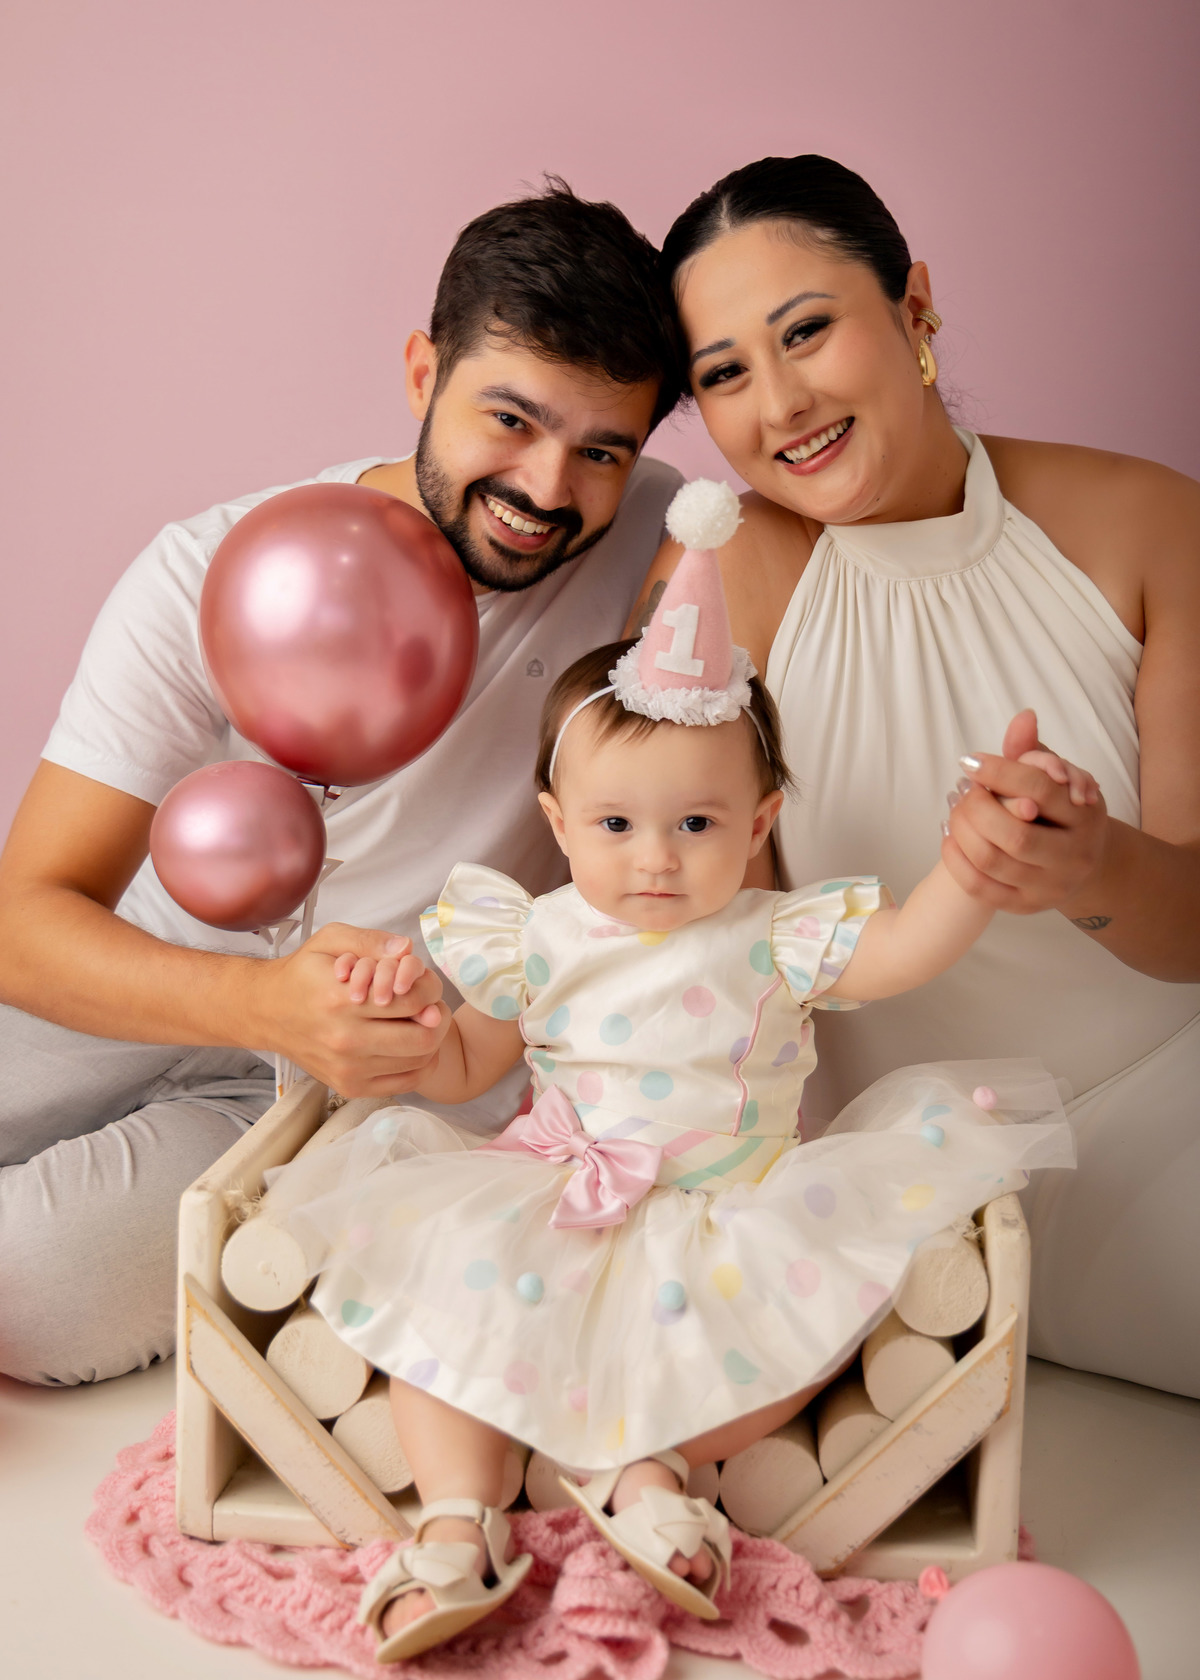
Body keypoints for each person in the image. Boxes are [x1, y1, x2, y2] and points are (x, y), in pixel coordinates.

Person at [271, 483, 1073, 1661]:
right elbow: (469, 1064)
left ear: (758, 822)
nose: (655, 859)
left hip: (724, 1202)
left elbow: (904, 950)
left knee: (778, 1335)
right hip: (552, 1193)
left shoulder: (774, 934)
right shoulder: (537, 934)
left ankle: (649, 1468)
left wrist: (969, 869)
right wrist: (417, 1032)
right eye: (616, 827)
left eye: (696, 825)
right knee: (449, 1300)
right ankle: (455, 1520)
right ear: (558, 822)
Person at [0, 180, 688, 1387]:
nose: (545, 488)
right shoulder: (213, 569)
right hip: (142, 983)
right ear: (424, 373)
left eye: (601, 452)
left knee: (29, 1294)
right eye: (510, 419)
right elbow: (23, 921)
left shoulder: (669, 546)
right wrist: (258, 1002)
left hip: (364, 1078)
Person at [631, 154, 1200, 1399]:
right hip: (965, 1167)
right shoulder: (725, 583)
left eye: (807, 331)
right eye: (724, 374)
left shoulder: (1148, 523)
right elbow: (692, 947)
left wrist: (1091, 864)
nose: (780, 404)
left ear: (916, 308)